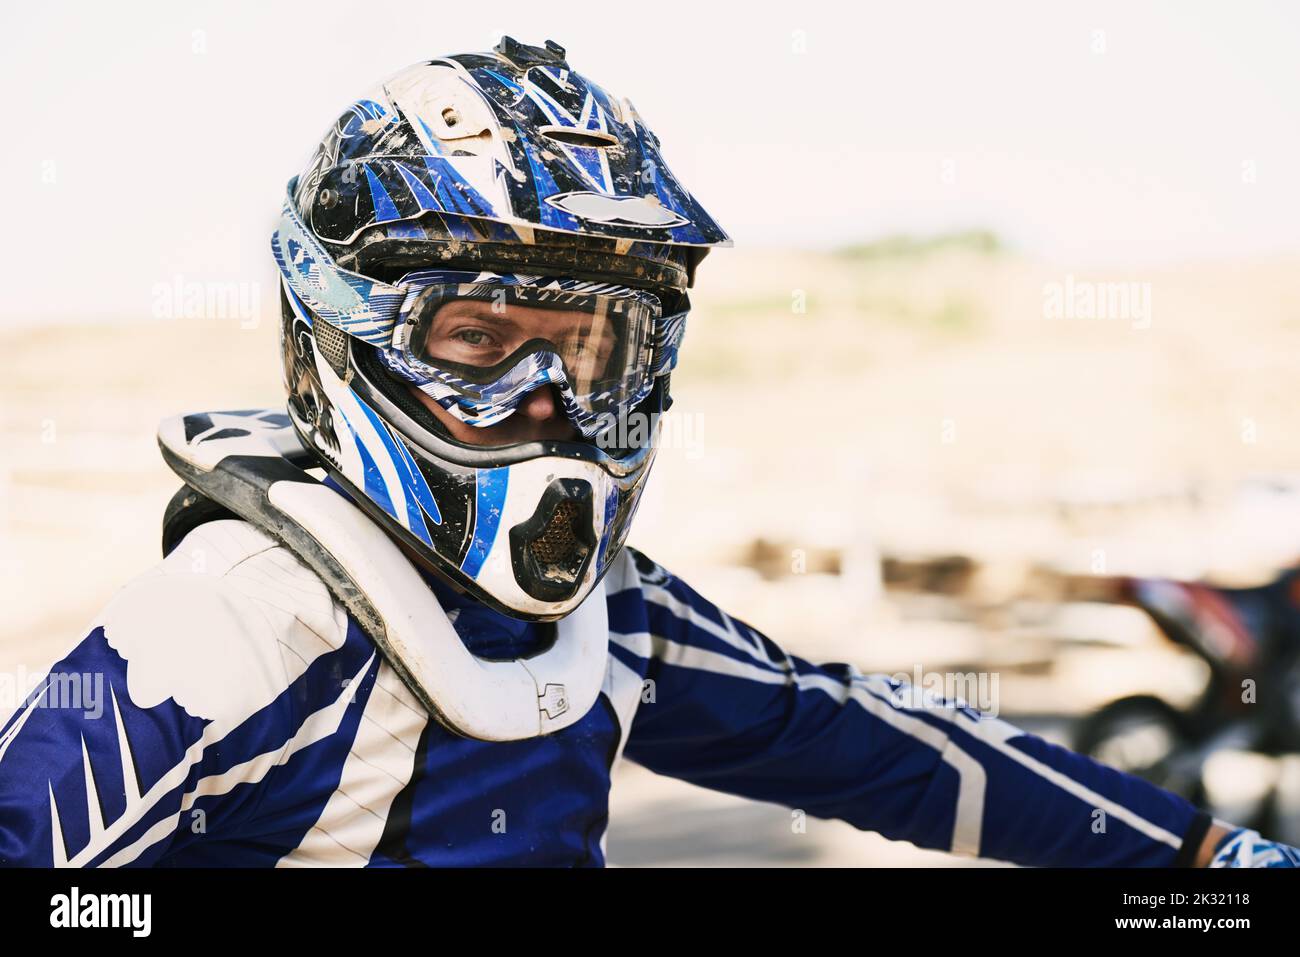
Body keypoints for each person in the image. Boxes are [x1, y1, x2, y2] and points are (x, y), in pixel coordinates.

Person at [0, 36, 1294, 869]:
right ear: (338, 331)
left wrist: (1202, 862)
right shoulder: (234, 624)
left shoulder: (605, 618)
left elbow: (885, 747)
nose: (548, 395)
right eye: (480, 336)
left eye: (587, 346)